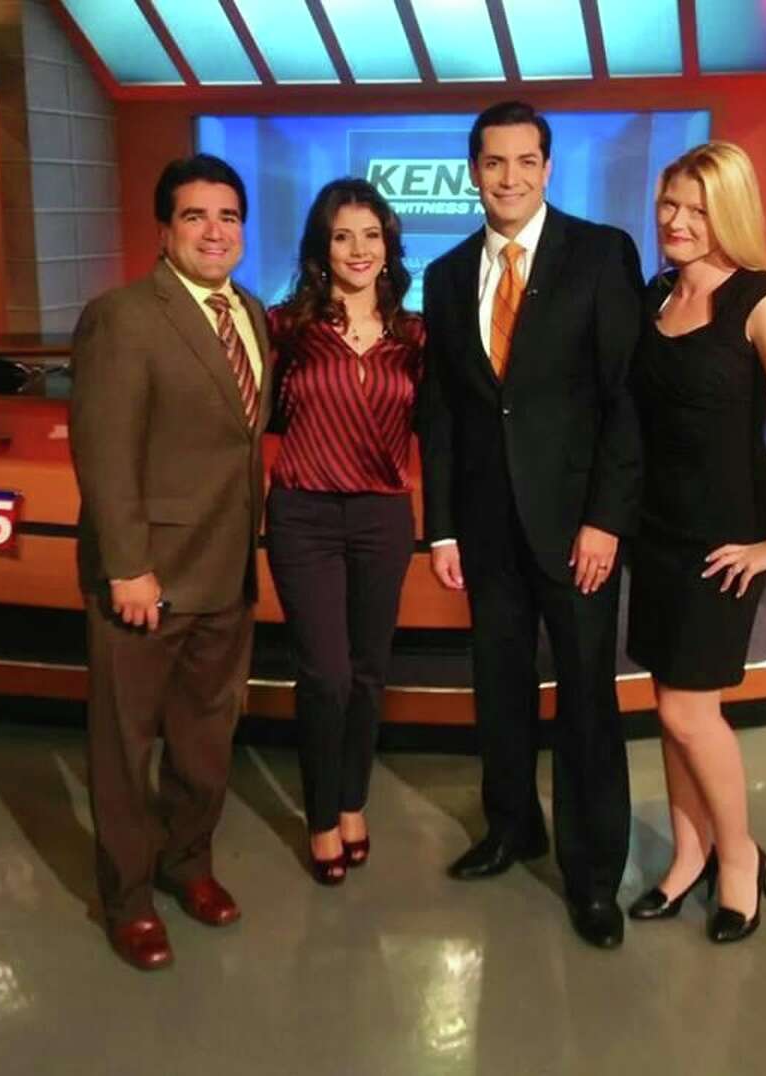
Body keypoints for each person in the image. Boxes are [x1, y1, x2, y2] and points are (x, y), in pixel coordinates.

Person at [417, 100, 644, 948]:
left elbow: (626, 400)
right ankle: (512, 827)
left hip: (578, 532)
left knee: (585, 700)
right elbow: (442, 414)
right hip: (487, 531)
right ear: (472, 172)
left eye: (525, 161)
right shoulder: (445, 275)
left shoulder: (601, 254)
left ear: (548, 168)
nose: (508, 178)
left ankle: (593, 878)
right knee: (499, 689)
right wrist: (442, 529)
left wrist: (606, 520)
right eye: (493, 162)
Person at [69, 153, 273, 971]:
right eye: (196, 216)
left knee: (205, 740)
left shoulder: (250, 313)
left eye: (228, 216)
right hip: (146, 578)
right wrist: (127, 566)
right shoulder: (122, 317)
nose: (214, 231)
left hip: (227, 573)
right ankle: (127, 900)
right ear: (165, 231)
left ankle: (188, 864)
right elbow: (104, 452)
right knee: (125, 748)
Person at [624, 142, 766, 943]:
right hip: (657, 532)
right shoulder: (656, 294)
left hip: (723, 542)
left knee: (688, 710)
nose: (677, 221)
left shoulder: (759, 296)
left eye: (698, 209)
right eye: (670, 203)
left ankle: (739, 857)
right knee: (669, 704)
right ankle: (689, 854)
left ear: (730, 213)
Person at [264, 178, 424, 885]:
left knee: (367, 672)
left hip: (382, 518)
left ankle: (353, 801)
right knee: (324, 675)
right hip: (303, 515)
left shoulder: (415, 337)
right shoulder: (286, 328)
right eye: (341, 236)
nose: (358, 249)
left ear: (389, 246)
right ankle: (321, 815)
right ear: (320, 249)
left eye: (371, 234)